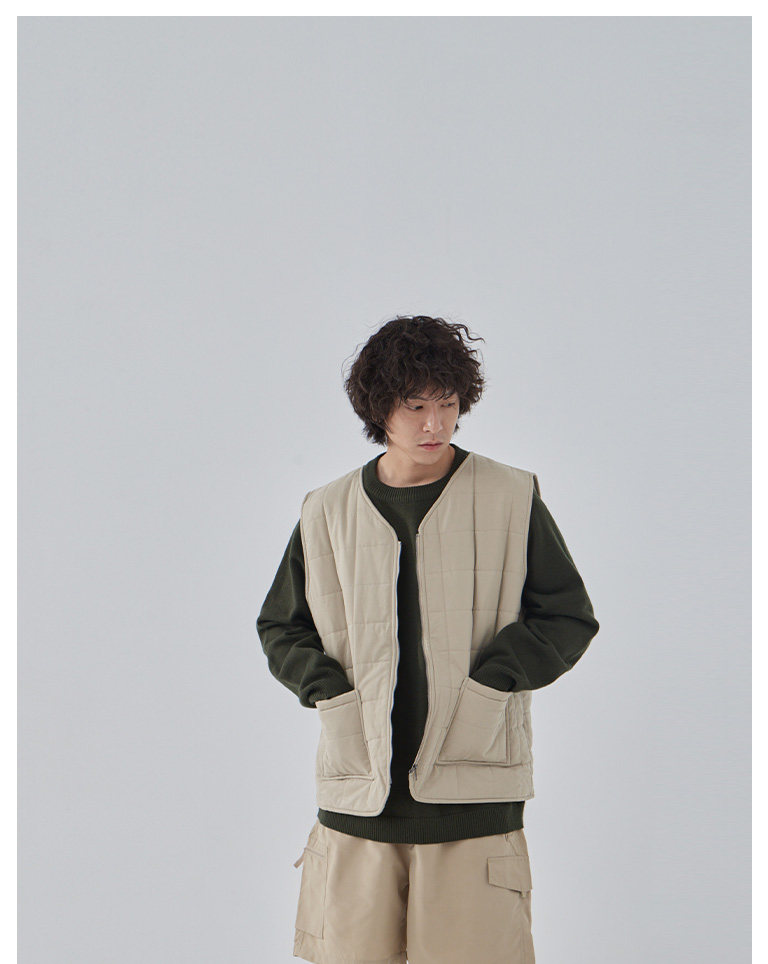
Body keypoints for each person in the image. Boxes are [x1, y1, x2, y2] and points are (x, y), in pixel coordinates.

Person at [257, 315, 600, 964]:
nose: (434, 424)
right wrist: (327, 689)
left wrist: (493, 681)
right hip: (358, 800)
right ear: (378, 408)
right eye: (414, 407)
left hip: (474, 799)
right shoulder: (325, 510)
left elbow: (566, 615)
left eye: (447, 404)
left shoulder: (510, 495)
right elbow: (281, 624)